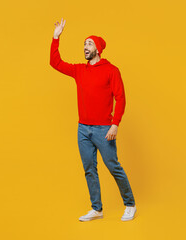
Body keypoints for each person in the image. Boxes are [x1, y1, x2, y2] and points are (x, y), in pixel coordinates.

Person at [49, 18, 136, 222]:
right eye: (84, 44)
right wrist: (56, 37)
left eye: (89, 43)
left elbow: (120, 97)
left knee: (113, 166)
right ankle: (97, 209)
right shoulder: (80, 70)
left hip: (104, 129)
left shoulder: (111, 70)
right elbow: (55, 63)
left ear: (98, 48)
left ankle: (130, 203)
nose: (85, 47)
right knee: (89, 169)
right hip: (83, 129)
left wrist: (115, 124)